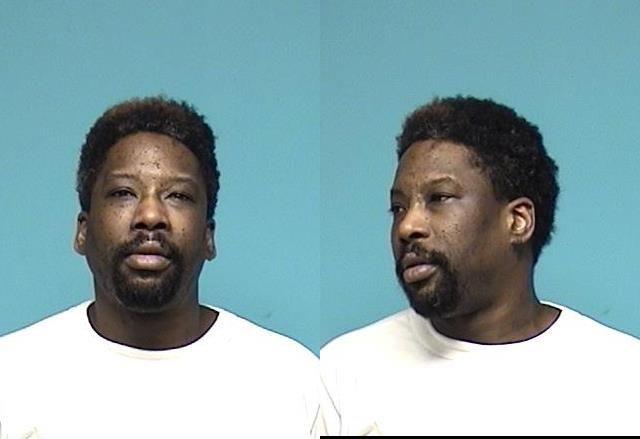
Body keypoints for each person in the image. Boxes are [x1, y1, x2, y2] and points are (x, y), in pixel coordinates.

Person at [0, 96, 321, 439]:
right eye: (123, 193)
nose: (150, 215)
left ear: (208, 237)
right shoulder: (11, 376)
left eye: (178, 196)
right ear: (83, 231)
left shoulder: (295, 382)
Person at [319, 96, 640, 436]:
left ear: (517, 221)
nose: (407, 226)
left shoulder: (624, 377)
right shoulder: (343, 371)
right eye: (398, 207)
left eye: (439, 198)